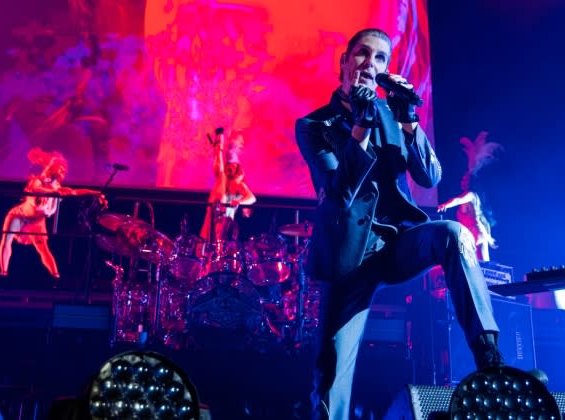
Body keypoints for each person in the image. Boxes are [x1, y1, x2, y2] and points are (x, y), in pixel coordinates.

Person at [295, 28, 504, 419]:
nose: (368, 65)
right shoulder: (314, 126)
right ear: (343, 61)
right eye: (361, 54)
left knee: (454, 234)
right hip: (349, 258)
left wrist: (409, 119)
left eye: (379, 59)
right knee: (331, 381)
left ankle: (489, 356)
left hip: (399, 244)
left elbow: (430, 177)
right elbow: (338, 196)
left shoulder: (393, 117)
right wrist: (359, 126)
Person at [0, 147, 106, 280]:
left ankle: (56, 277)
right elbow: (36, 188)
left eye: (64, 171)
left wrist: (96, 193)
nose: (63, 172)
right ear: (52, 169)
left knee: (43, 249)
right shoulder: (38, 181)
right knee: (7, 240)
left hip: (36, 222)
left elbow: (75, 192)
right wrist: (51, 192)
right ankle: (3, 274)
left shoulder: (58, 189)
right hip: (19, 215)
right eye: (60, 169)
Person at [437, 131, 502, 261]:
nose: (462, 181)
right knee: (483, 265)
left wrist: (445, 205)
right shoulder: (473, 196)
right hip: (477, 232)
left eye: (465, 179)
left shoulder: (470, 195)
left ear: (470, 182)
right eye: (463, 178)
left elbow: (457, 200)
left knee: (479, 265)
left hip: (475, 233)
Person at [199, 128, 256, 243]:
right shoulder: (222, 179)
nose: (230, 167)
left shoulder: (238, 186)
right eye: (228, 166)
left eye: (233, 166)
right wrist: (219, 144)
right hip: (209, 231)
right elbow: (218, 164)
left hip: (223, 234)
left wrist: (238, 201)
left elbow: (252, 198)